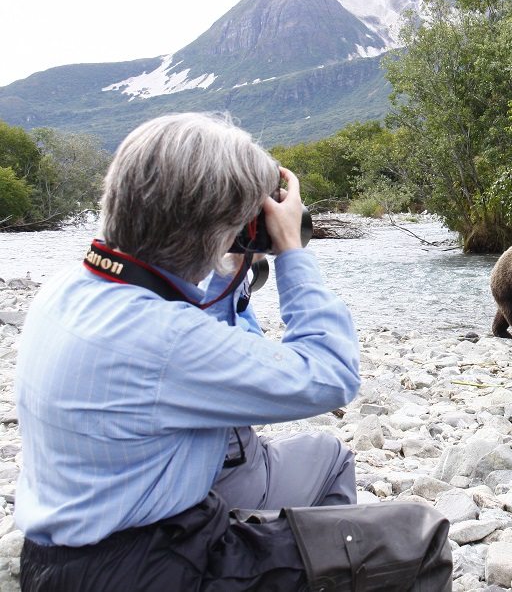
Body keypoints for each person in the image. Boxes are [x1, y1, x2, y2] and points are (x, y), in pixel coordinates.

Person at [14, 113, 452, 591]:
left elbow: (192, 348)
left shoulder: (70, 288)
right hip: (152, 566)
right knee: (419, 540)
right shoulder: (164, 338)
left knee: (322, 457)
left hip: (62, 558)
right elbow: (330, 375)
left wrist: (227, 276)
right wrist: (291, 253)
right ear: (219, 227)